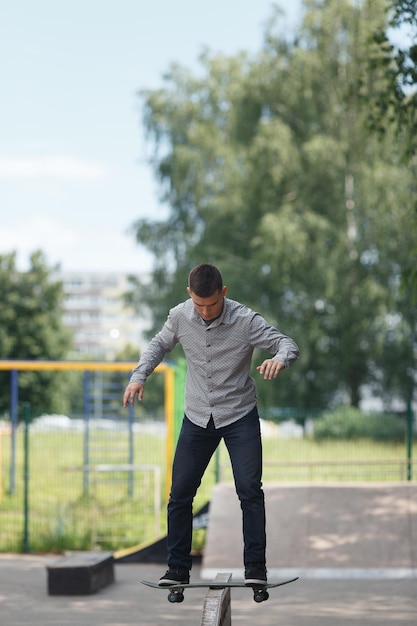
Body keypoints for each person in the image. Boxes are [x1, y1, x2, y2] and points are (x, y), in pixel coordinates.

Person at [123, 263, 299, 586]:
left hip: (239, 415)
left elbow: (287, 343)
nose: (205, 312)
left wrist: (279, 358)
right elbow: (158, 345)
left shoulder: (245, 321)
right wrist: (139, 376)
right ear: (190, 294)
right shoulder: (179, 316)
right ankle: (177, 568)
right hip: (198, 416)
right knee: (180, 494)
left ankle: (256, 569)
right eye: (199, 305)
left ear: (224, 293)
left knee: (249, 491)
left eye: (213, 304)